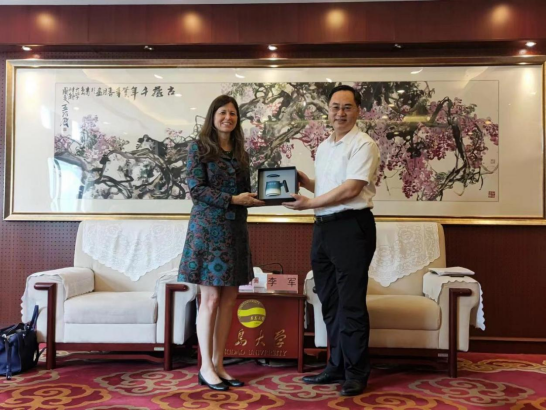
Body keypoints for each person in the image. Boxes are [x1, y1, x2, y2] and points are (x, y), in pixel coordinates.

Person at [283, 85, 380, 397]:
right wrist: (307, 182)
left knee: (351, 303)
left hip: (352, 227)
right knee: (330, 301)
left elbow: (351, 189)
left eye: (347, 107)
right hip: (323, 228)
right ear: (328, 110)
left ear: (358, 111)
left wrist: (309, 203)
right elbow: (330, 187)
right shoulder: (325, 146)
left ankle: (356, 373)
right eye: (335, 107)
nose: (340, 113)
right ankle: (336, 365)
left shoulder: (364, 144)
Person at [178, 95, 264, 391]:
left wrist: (270, 196)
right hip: (207, 231)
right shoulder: (198, 148)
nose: (228, 117)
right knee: (211, 299)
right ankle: (205, 367)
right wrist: (233, 200)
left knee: (229, 299)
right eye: (222, 112)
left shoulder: (241, 153)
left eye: (233, 113)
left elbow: (245, 192)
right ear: (212, 116)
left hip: (235, 231)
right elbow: (197, 189)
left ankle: (219, 363)